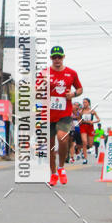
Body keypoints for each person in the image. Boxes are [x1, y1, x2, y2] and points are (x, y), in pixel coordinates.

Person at [39, 45, 82, 186]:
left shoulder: (71, 73)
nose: (57, 60)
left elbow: (80, 88)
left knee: (62, 138)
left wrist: (73, 94)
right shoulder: (44, 73)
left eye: (59, 57)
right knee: (50, 145)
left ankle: (61, 167)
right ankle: (53, 173)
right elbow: (35, 90)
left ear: (63, 57)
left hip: (64, 113)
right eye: (54, 57)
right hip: (48, 114)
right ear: (51, 58)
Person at [78, 97, 99, 164]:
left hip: (90, 127)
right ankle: (85, 158)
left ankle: (83, 151)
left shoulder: (92, 111)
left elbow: (98, 119)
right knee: (84, 142)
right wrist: (81, 121)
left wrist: (93, 122)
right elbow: (79, 120)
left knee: (90, 145)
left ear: (89, 103)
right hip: (83, 127)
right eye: (83, 102)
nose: (84, 103)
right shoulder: (81, 111)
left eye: (85, 102)